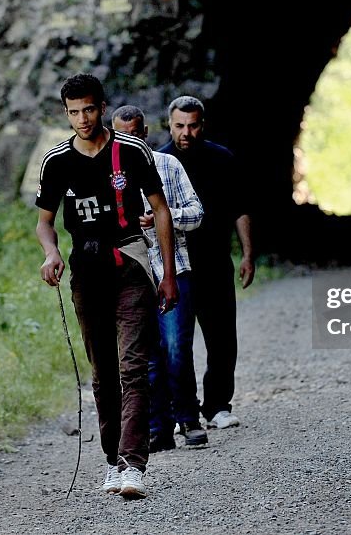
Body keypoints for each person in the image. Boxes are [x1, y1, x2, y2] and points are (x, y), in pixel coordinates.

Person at [36, 74, 178, 500]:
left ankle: (134, 464)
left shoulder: (131, 151)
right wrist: (51, 253)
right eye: (74, 112)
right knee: (103, 375)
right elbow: (44, 222)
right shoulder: (57, 161)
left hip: (130, 263)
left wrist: (167, 273)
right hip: (86, 270)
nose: (83, 119)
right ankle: (113, 460)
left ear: (102, 106)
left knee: (133, 366)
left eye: (90, 109)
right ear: (66, 113)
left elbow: (160, 209)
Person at [111, 105, 210, 451]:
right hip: (130, 275)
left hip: (174, 269)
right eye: (121, 136)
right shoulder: (109, 177)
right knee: (145, 355)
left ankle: (189, 418)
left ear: (146, 132)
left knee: (175, 347)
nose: (129, 141)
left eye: (135, 134)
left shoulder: (167, 166)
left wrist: (160, 218)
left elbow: (196, 213)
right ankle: (158, 428)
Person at [157, 95, 254, 430]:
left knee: (222, 338)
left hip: (215, 263)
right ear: (169, 124)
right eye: (180, 125)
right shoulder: (159, 162)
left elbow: (239, 207)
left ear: (203, 124)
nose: (187, 132)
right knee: (176, 343)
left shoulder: (221, 158)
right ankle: (182, 410)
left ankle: (217, 405)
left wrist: (247, 254)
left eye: (193, 125)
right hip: (177, 267)